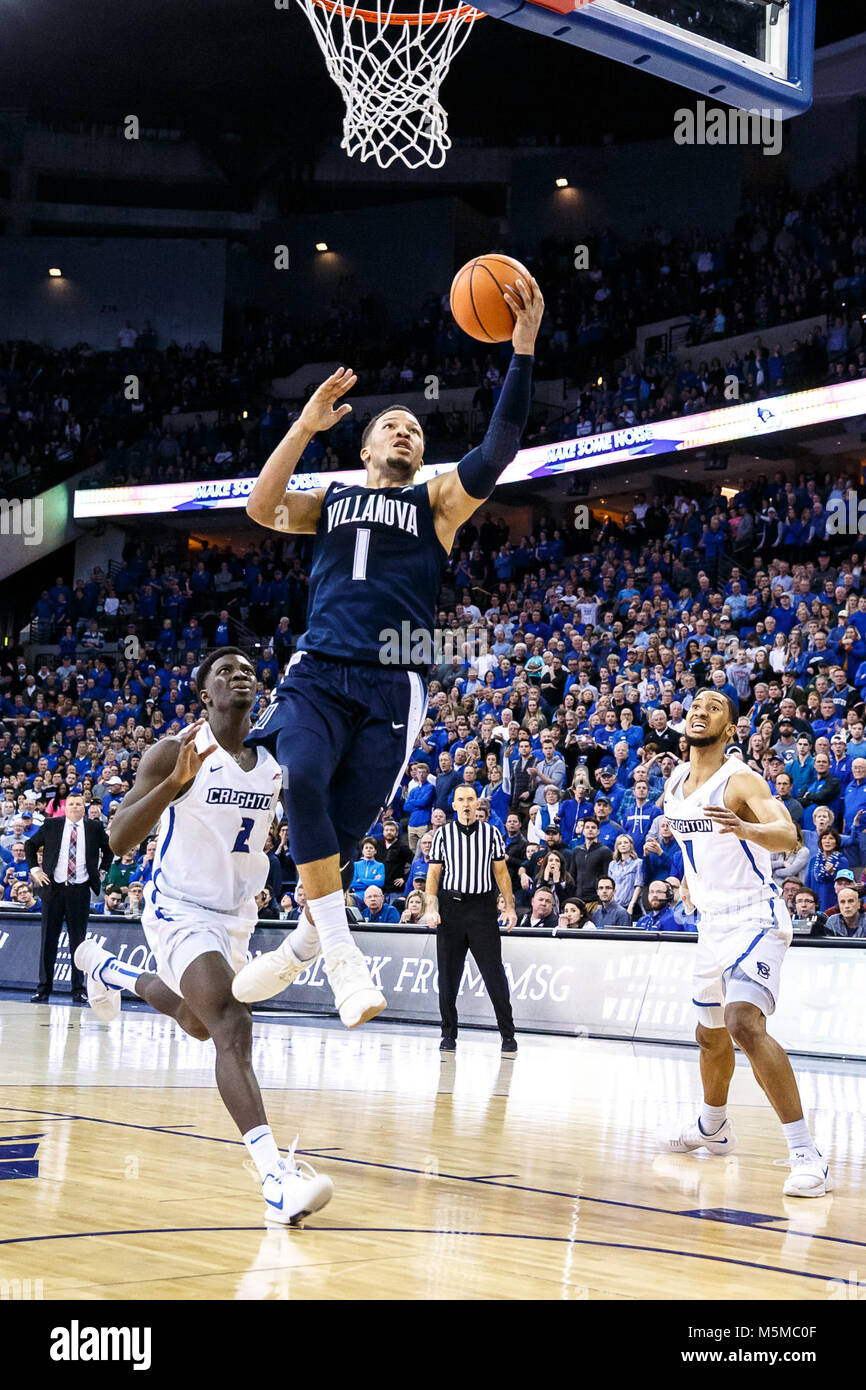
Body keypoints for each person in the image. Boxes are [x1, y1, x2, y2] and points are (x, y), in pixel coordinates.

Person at [232, 275, 543, 1026]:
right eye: (391, 425)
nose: (404, 430)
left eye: (414, 427)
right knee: (299, 779)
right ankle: (342, 958)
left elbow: (498, 448)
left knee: (333, 843)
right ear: (365, 445)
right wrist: (304, 427)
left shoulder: (434, 503)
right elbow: (260, 506)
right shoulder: (333, 500)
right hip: (318, 672)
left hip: (392, 684)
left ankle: (308, 940)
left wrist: (523, 349)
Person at [72, 649, 333, 1226]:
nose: (239, 675)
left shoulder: (276, 758)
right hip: (179, 906)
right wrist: (172, 784)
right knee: (231, 1025)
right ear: (204, 695)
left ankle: (108, 970)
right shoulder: (175, 751)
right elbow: (116, 840)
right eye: (225, 672)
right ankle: (274, 1182)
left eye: (247, 670)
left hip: (237, 916)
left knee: (196, 1021)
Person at [663, 687, 832, 1197]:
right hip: (711, 923)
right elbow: (691, 840)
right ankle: (713, 1126)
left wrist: (746, 829)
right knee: (709, 1034)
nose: (700, 711)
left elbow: (789, 835)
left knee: (741, 1022)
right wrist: (691, 883)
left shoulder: (741, 779)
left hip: (755, 915)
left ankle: (806, 1154)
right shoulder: (674, 781)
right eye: (695, 706)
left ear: (730, 729)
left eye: (713, 707)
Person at [425, 785, 518, 1053]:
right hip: (451, 908)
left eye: (470, 799)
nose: (466, 804)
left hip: (482, 908)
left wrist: (509, 907)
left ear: (478, 804)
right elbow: (433, 875)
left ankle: (508, 1034)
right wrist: (431, 907)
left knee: (493, 973)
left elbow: (501, 873)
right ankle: (448, 1034)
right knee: (448, 976)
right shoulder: (442, 835)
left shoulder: (491, 833)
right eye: (461, 800)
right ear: (453, 805)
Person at [25, 791, 112, 1003]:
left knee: (78, 942)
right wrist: (35, 869)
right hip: (53, 889)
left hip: (79, 890)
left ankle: (78, 989)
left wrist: (102, 871)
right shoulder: (52, 824)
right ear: (65, 807)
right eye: (71, 804)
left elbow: (109, 849)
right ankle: (43, 989)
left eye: (78, 804)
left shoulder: (94, 827)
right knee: (48, 941)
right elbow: (30, 845)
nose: (74, 807)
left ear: (84, 807)